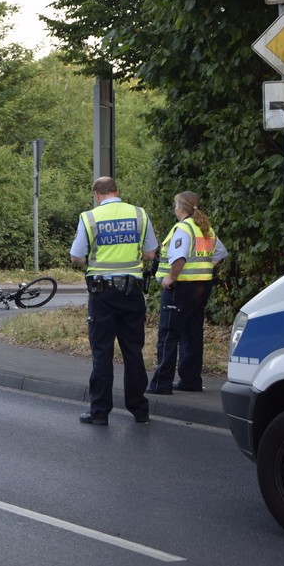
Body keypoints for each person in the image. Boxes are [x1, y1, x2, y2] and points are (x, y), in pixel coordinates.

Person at [70, 176, 158, 426]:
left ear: (96, 194)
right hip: (132, 293)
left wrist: (91, 262)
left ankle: (99, 412)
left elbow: (76, 257)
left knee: (102, 352)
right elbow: (151, 253)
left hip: (102, 294)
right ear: (117, 191)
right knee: (133, 351)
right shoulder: (139, 214)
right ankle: (140, 410)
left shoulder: (90, 217)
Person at [146, 191, 228, 395]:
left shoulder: (183, 228)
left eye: (175, 205)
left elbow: (179, 258)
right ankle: (191, 380)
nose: (174, 209)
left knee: (168, 334)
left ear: (181, 208)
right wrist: (205, 268)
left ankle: (160, 383)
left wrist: (170, 278)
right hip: (201, 286)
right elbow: (220, 252)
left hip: (180, 287)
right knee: (192, 333)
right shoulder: (204, 227)